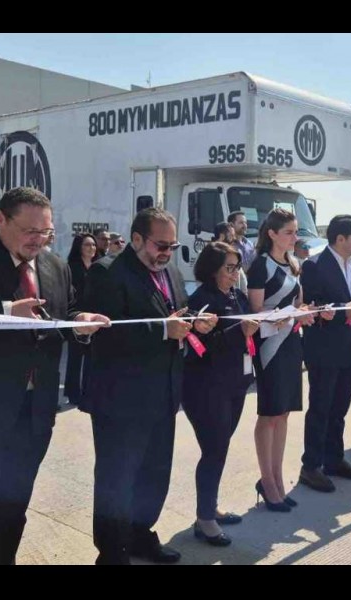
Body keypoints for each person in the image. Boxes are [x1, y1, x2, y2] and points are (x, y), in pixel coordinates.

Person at [0, 187, 107, 565]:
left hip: (33, 409)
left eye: (46, 232)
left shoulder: (54, 266)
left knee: (12, 507)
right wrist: (7, 310)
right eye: (30, 231)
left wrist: (80, 320)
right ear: (0, 220)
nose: (38, 240)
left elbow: (64, 311)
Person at [81, 207, 216, 565]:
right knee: (117, 478)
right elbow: (107, 332)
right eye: (161, 245)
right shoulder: (108, 271)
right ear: (137, 239)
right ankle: (112, 552)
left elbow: (177, 311)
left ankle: (141, 536)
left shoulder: (170, 270)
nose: (167, 253)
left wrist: (194, 320)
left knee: (154, 474)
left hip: (163, 392)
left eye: (172, 246)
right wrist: (162, 330)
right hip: (121, 398)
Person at [299, 215, 351, 493]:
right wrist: (343, 311)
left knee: (339, 409)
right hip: (323, 348)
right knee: (320, 409)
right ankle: (311, 466)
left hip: (349, 347)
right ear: (340, 239)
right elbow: (313, 306)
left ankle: (334, 459)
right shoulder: (314, 266)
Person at [183, 242, 258, 546]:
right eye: (229, 267)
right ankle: (204, 519)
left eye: (237, 267)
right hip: (206, 387)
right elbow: (200, 345)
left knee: (220, 448)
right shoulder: (200, 300)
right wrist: (239, 330)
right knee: (213, 449)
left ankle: (210, 506)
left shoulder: (237, 296)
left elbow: (248, 331)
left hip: (235, 384)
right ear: (212, 269)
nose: (235, 273)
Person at [247, 208, 316, 511]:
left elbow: (298, 303)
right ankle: (268, 480)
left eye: (296, 231)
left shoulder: (294, 263)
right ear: (272, 234)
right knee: (270, 413)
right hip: (269, 346)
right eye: (288, 232)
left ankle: (276, 478)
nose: (294, 237)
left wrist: (306, 312)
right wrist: (287, 316)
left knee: (284, 413)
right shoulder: (260, 265)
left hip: (291, 344)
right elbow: (254, 312)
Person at [63, 233, 98, 406]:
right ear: (79, 247)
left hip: (94, 317)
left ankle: (88, 392)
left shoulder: (99, 266)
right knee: (75, 357)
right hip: (76, 316)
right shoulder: (71, 267)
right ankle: (72, 392)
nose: (92, 248)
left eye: (93, 245)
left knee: (92, 357)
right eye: (87, 245)